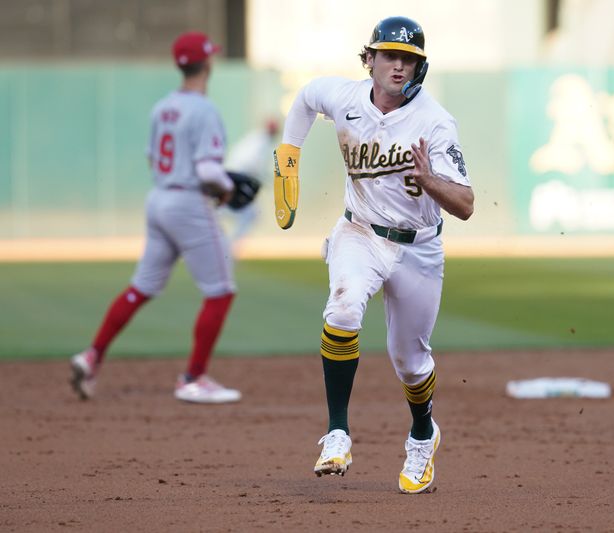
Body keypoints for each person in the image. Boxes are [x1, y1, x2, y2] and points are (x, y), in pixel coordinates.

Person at [273, 16, 474, 493]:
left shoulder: (435, 122)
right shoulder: (344, 98)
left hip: (417, 247)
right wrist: (288, 156)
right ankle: (337, 432)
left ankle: (423, 434)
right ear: (370, 59)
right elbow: (304, 100)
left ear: (419, 67)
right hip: (359, 231)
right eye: (389, 56)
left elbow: (465, 204)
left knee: (411, 362)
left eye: (409, 59)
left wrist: (430, 180)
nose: (399, 66)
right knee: (342, 306)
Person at [69, 31, 241, 404]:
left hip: (159, 198)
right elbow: (209, 171)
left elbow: (152, 158)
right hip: (188, 204)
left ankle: (92, 354)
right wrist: (226, 190)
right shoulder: (204, 109)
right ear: (207, 63)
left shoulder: (162, 107)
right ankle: (193, 377)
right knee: (221, 291)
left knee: (141, 287)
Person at [223, 117, 281, 250]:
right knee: (249, 214)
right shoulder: (261, 141)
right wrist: (268, 180)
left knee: (248, 213)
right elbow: (251, 165)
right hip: (238, 178)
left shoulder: (257, 138)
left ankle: (228, 246)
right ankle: (229, 248)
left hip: (235, 176)